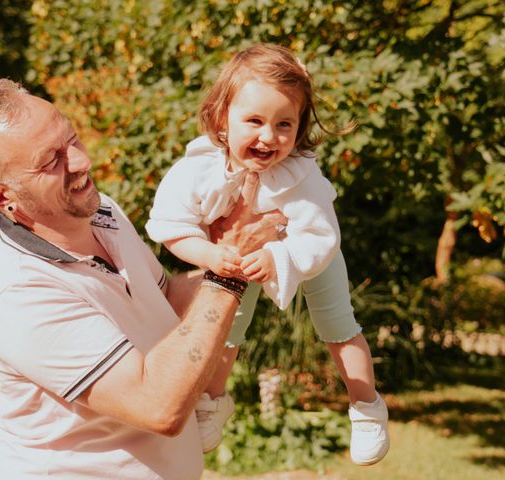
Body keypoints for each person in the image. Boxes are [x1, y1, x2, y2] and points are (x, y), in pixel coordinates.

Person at [0, 79, 284, 479]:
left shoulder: (99, 211)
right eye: (50, 160)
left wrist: (247, 257)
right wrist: (228, 272)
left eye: (71, 138)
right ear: (2, 197)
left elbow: (166, 300)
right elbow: (159, 405)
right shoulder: (18, 293)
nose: (79, 161)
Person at [146, 43, 390, 466]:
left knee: (338, 325)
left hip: (306, 253)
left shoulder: (301, 173)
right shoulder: (198, 167)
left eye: (284, 124)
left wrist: (280, 258)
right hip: (234, 255)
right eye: (254, 121)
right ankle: (213, 400)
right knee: (226, 324)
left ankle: (366, 405)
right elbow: (171, 225)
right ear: (223, 118)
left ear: (299, 127)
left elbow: (320, 235)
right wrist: (208, 254)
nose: (268, 136)